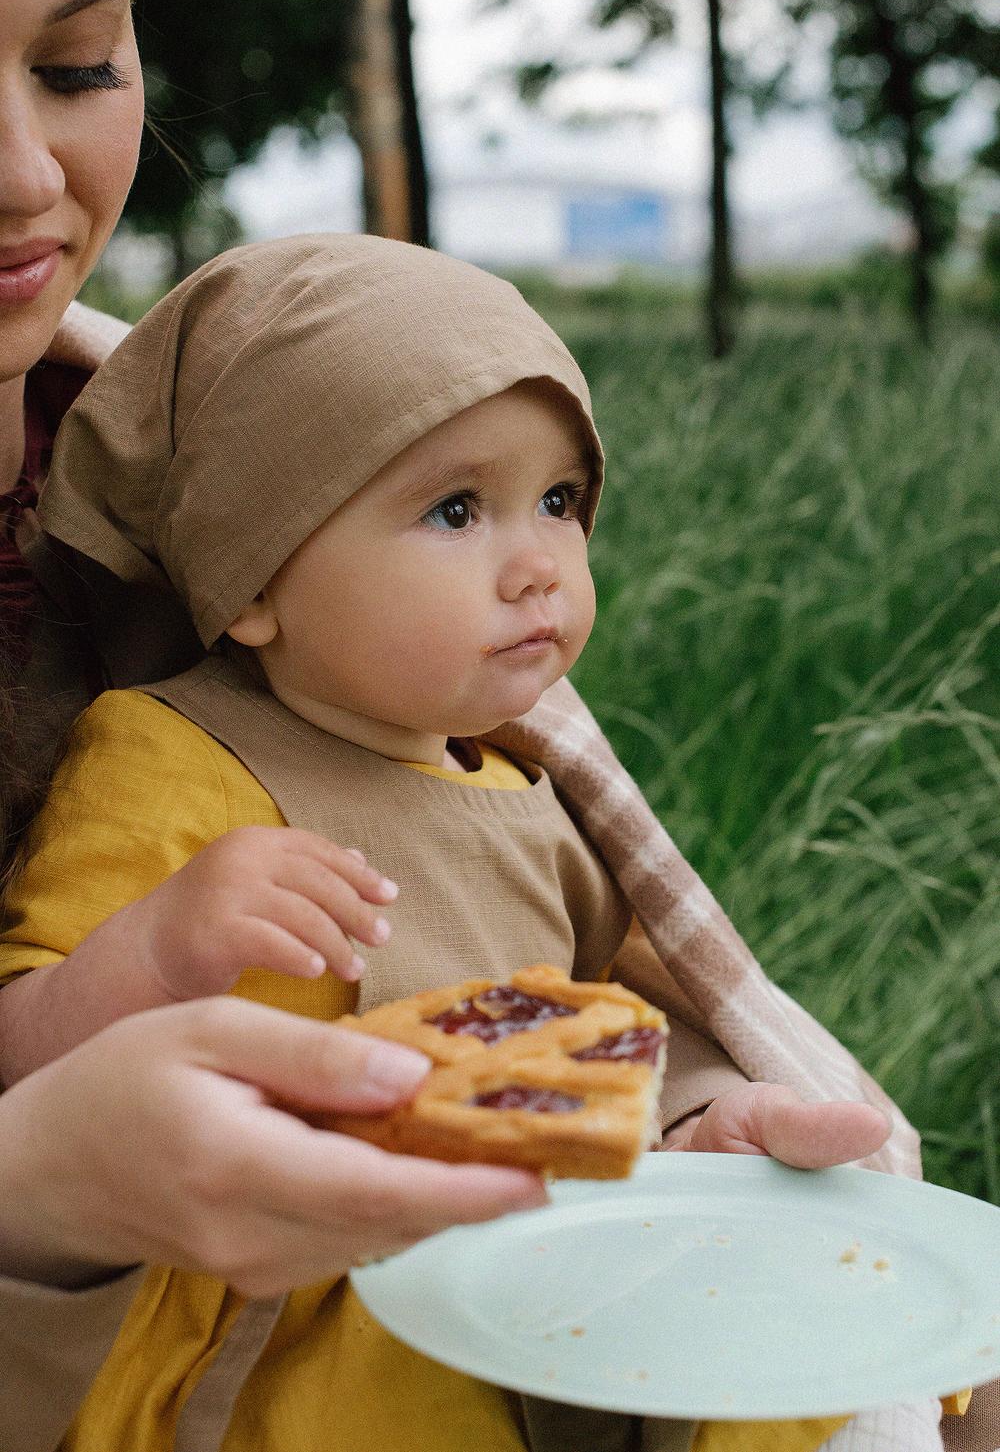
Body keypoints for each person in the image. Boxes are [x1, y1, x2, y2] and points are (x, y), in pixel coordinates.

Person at [0, 232, 950, 1452]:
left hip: (511, 1308)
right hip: (284, 1346)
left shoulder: (528, 797)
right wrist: (156, 947)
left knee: (809, 1355)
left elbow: (599, 1036)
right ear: (252, 581)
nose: (537, 566)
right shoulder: (170, 759)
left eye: (559, 502)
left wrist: (692, 1123)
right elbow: (23, 1055)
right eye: (456, 509)